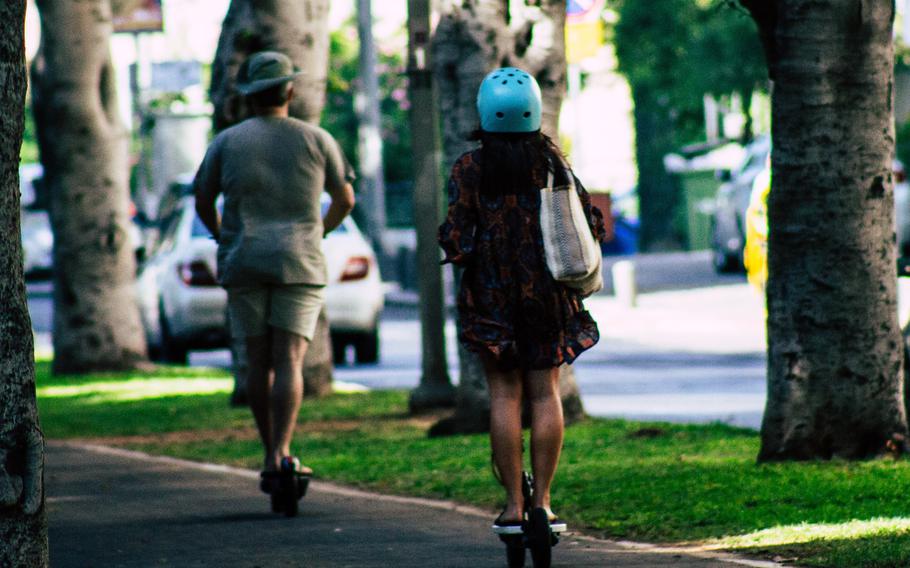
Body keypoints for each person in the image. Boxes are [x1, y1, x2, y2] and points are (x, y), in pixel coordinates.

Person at [438, 68, 605, 536]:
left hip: (492, 300)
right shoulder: (553, 164)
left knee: (504, 397)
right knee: (545, 393)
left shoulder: (470, 168)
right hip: (546, 297)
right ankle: (544, 504)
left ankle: (514, 505)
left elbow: (457, 236)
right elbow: (590, 223)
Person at [194, 51, 356, 493]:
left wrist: (223, 235)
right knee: (289, 360)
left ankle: (269, 453)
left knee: (257, 361)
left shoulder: (226, 143)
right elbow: (345, 199)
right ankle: (284, 450)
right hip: (299, 261)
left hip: (244, 259)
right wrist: (318, 231)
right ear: (289, 89)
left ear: (248, 94)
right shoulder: (317, 139)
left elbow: (202, 200)